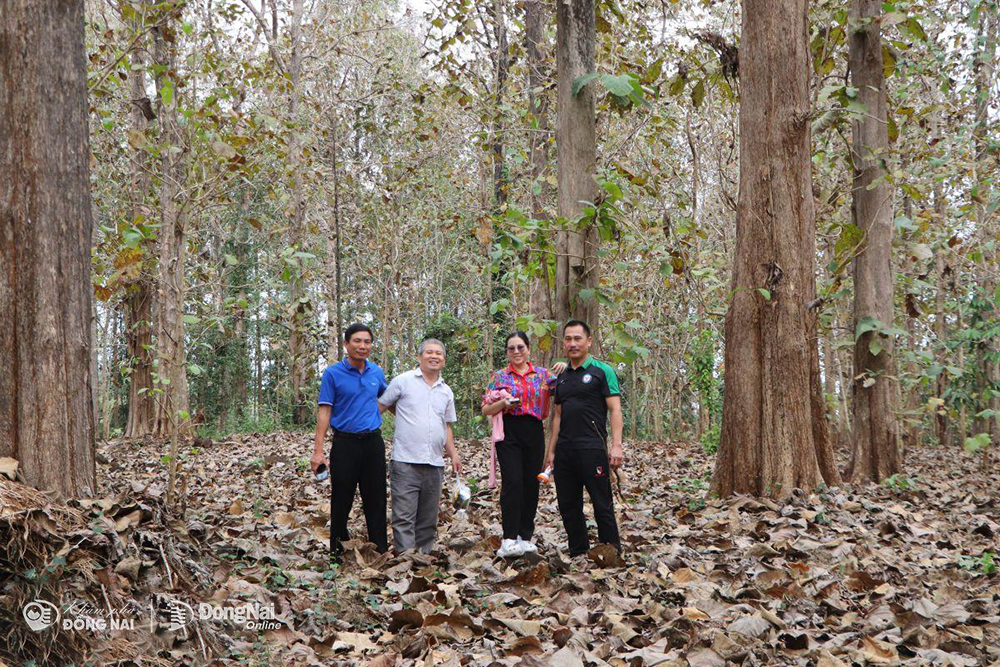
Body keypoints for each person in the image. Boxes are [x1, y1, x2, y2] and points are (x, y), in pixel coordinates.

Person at [543, 320, 624, 557]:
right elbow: (557, 416)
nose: (572, 343)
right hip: (566, 449)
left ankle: (611, 552)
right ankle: (578, 551)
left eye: (578, 338)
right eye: (568, 339)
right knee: (568, 505)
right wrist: (551, 451)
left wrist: (617, 446)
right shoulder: (562, 376)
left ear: (589, 341)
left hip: (592, 448)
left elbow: (615, 410)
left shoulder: (602, 371)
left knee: (602, 503)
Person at [312, 323, 389, 562]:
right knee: (341, 498)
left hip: (373, 443)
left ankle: (380, 551)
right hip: (345, 444)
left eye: (367, 342)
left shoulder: (376, 372)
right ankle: (336, 552)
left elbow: (388, 399)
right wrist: (318, 452)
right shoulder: (333, 374)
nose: (362, 346)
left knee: (376, 497)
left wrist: (372, 413)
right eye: (357, 341)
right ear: (346, 344)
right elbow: (325, 412)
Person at [378, 339, 461, 554]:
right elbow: (381, 405)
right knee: (404, 516)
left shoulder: (446, 391)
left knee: (428, 517)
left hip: (434, 462)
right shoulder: (403, 381)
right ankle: (405, 561)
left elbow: (447, 425)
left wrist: (453, 453)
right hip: (405, 460)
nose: (434, 356)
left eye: (439, 354)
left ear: (444, 359)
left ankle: (423, 559)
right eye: (429, 352)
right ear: (419, 356)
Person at [482, 331, 561, 558]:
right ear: (506, 352)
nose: (516, 352)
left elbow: (564, 390)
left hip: (534, 431)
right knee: (513, 482)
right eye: (511, 348)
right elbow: (486, 408)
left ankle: (525, 537)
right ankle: (508, 537)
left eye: (520, 347)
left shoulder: (544, 375)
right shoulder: (500, 377)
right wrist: (503, 403)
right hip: (508, 432)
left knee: (530, 483)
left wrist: (564, 368)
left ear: (528, 349)